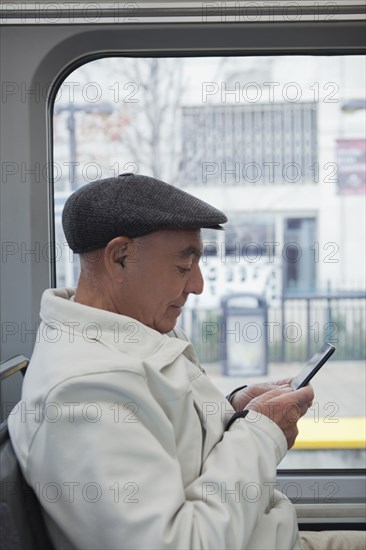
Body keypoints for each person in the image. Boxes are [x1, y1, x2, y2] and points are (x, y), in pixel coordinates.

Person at [8, 173, 362, 550]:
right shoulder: (83, 395)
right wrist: (260, 434)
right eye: (183, 266)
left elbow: (170, 439)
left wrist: (233, 411)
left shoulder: (133, 331)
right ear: (120, 258)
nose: (197, 285)